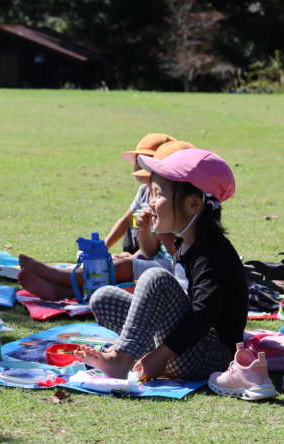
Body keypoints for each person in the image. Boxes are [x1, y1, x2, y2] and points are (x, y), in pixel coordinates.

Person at [75, 148, 248, 382]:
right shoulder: (186, 242)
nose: (150, 203)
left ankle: (122, 358)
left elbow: (203, 315)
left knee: (155, 277)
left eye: (157, 194)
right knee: (103, 297)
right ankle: (132, 353)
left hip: (210, 355)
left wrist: (161, 355)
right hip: (181, 345)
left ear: (194, 204)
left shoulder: (213, 253)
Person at [18, 138, 195, 300]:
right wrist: (144, 230)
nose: (138, 167)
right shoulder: (151, 197)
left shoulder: (187, 214)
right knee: (115, 265)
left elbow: (183, 262)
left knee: (125, 268)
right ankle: (61, 287)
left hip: (173, 273)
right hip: (155, 261)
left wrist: (158, 233)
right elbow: (148, 250)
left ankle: (60, 280)